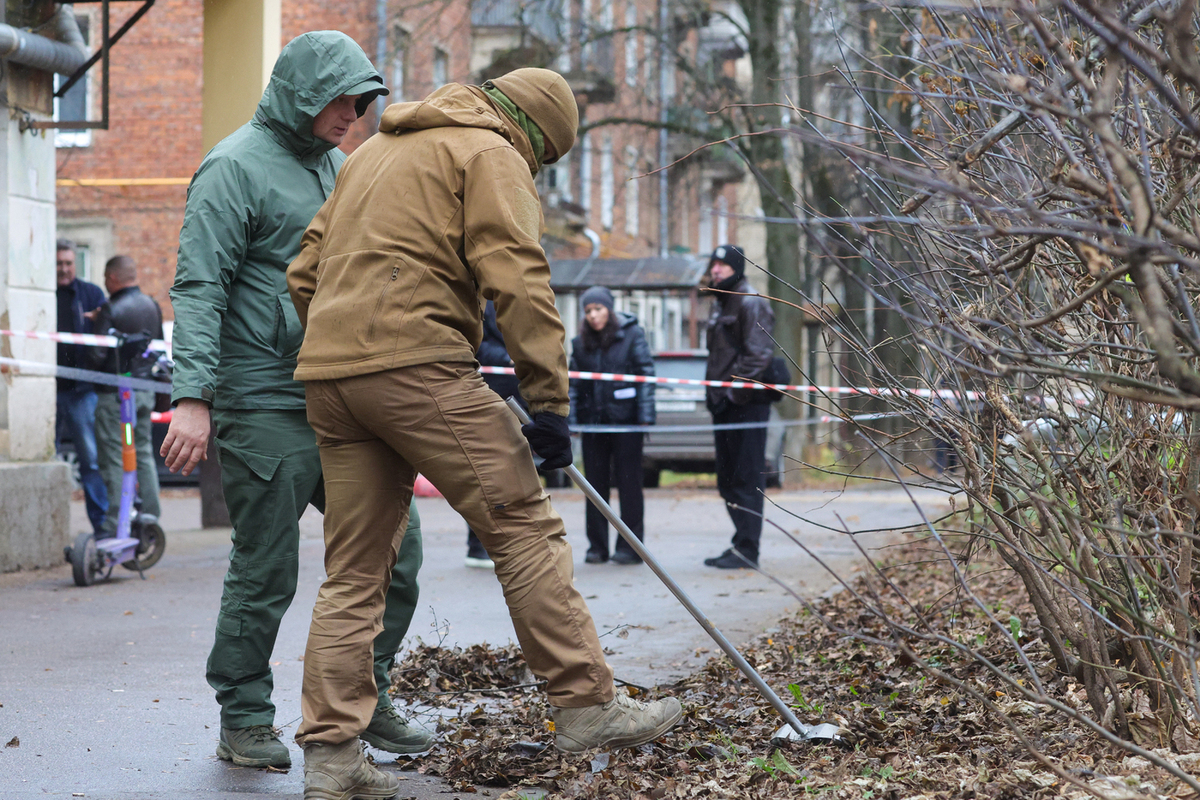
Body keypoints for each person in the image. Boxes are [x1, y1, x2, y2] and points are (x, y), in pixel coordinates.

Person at [287, 67, 683, 799]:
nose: (538, 168)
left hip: (332, 380)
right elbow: (520, 277)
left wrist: (347, 343)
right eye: (546, 157)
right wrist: (550, 402)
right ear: (534, 132)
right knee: (523, 526)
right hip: (418, 367)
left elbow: (304, 272)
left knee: (354, 571)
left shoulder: (370, 153)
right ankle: (586, 705)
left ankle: (332, 756)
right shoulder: (489, 151)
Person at [158, 31, 429, 770]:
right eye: (342, 100)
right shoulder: (233, 167)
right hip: (262, 401)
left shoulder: (342, 166)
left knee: (396, 554)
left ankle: (364, 699)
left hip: (341, 396)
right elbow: (199, 287)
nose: (354, 115)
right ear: (304, 93)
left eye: (363, 103)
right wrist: (194, 397)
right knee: (267, 567)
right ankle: (245, 717)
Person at [568, 286, 655, 565]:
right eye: (588, 311)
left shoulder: (632, 335)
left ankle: (631, 548)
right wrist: (573, 419)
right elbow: (574, 383)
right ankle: (597, 546)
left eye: (598, 309)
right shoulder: (579, 343)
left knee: (629, 485)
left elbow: (645, 374)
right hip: (593, 424)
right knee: (594, 487)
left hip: (627, 422)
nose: (593, 315)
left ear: (609, 309)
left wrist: (645, 417)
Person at [702, 244, 775, 570]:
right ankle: (740, 542)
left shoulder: (750, 301)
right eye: (714, 264)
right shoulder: (721, 302)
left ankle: (748, 549)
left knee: (746, 479)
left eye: (723, 265)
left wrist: (732, 395)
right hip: (724, 405)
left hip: (746, 406)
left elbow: (758, 356)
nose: (716, 270)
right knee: (728, 480)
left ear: (737, 268)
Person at [87, 256, 163, 534]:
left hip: (116, 398)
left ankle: (116, 520)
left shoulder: (110, 308)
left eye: (106, 279)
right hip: (144, 393)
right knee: (141, 451)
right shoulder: (152, 305)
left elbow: (97, 356)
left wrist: (95, 324)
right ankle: (151, 517)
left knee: (114, 457)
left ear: (113, 278)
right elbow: (154, 346)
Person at [55, 239, 109, 536]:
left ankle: (101, 527)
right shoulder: (41, 295)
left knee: (91, 461)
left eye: (67, 263)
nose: (63, 269)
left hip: (82, 391)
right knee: (47, 459)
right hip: (47, 390)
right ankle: (51, 529)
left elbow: (106, 336)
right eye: (58, 264)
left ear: (75, 263)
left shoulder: (91, 294)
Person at [464, 300, 518, 570]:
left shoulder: (510, 301)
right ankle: (478, 545)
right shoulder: (480, 303)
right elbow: (472, 343)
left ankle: (510, 542)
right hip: (487, 397)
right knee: (485, 477)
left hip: (516, 401)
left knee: (513, 477)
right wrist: (506, 357)